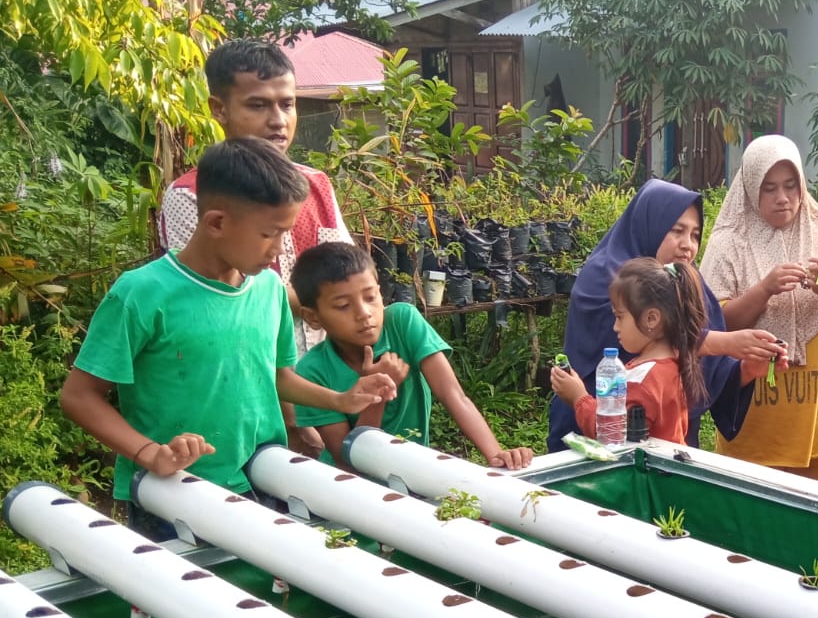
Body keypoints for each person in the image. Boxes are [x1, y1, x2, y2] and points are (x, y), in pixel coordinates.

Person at [60, 140, 394, 534]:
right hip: (173, 492)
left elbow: (278, 377)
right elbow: (79, 396)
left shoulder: (269, 289)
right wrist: (150, 453)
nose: (278, 250)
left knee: (264, 591)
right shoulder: (142, 294)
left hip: (263, 478)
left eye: (284, 234)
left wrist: (341, 399)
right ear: (216, 223)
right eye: (270, 234)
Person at [546, 178, 781, 452]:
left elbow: (708, 372)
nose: (688, 245)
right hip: (593, 432)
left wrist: (746, 368)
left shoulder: (684, 282)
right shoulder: (609, 277)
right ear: (650, 224)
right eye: (677, 231)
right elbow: (631, 338)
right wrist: (724, 342)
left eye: (694, 235)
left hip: (666, 446)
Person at [159, 39, 354, 354]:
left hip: (326, 369)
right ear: (219, 109)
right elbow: (214, 293)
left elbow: (349, 273)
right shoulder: (192, 195)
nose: (278, 120)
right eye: (258, 105)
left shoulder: (316, 184)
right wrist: (333, 300)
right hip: (244, 366)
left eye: (287, 104)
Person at [287, 242, 534, 469]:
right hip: (355, 488)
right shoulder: (312, 371)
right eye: (343, 306)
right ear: (313, 317)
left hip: (414, 470)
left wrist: (495, 455)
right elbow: (348, 460)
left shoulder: (402, 323)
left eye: (371, 297)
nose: (364, 313)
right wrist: (377, 395)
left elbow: (453, 395)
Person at [701, 135, 818, 482]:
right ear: (750, 187)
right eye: (769, 188)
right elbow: (713, 325)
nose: (783, 198)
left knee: (813, 528)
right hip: (752, 422)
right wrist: (763, 290)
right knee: (749, 522)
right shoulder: (729, 242)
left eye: (791, 186)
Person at [549, 258, 714, 445]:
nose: (615, 327)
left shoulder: (642, 380)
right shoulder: (673, 364)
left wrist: (578, 397)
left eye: (620, 317)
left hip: (646, 472)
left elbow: (614, 437)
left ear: (651, 319)